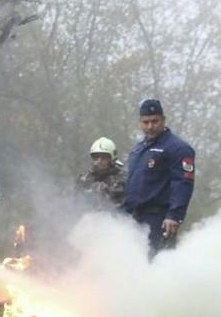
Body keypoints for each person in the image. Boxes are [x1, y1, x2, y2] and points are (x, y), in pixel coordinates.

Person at [123, 99, 195, 257]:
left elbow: (183, 183)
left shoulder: (178, 148)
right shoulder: (138, 149)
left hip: (159, 219)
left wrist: (174, 216)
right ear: (140, 123)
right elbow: (133, 185)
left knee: (154, 265)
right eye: (146, 122)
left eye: (154, 121)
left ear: (163, 120)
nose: (150, 126)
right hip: (134, 218)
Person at [76, 137, 126, 208]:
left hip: (113, 216)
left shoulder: (120, 177)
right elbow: (77, 196)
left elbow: (117, 199)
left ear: (111, 158)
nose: (99, 160)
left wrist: (102, 189)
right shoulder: (86, 176)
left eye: (104, 157)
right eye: (96, 157)